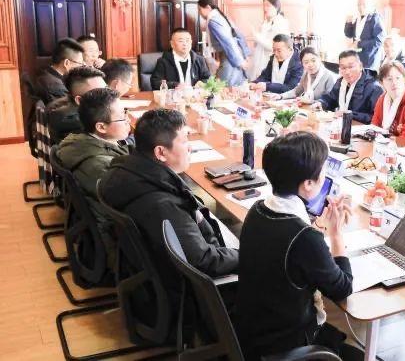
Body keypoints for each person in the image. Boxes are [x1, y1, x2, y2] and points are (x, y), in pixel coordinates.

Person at [99, 109, 239, 323]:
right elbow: (203, 261)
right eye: (185, 140)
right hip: (193, 295)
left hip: (156, 280)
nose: (190, 147)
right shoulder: (162, 204)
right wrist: (246, 254)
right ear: (161, 153)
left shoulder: (124, 172)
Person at [235, 131, 354, 360]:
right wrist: (336, 234)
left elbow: (293, 245)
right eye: (323, 171)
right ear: (308, 184)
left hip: (253, 332)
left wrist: (319, 227)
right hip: (285, 345)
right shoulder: (305, 238)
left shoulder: (258, 209)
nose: (325, 176)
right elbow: (342, 288)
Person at [56, 88, 131, 271]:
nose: (128, 120)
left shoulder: (83, 142)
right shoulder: (100, 165)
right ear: (101, 127)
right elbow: (132, 204)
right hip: (120, 246)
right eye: (122, 117)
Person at [316, 50, 383, 124]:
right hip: (341, 124)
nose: (347, 72)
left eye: (351, 67)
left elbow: (375, 117)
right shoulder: (341, 82)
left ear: (360, 66)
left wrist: (350, 114)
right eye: (343, 68)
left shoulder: (374, 88)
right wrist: (321, 103)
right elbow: (331, 99)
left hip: (361, 128)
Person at [198, 0, 250, 86]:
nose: (199, 13)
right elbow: (239, 35)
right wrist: (245, 55)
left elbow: (227, 42)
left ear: (208, 7)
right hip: (235, 54)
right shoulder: (220, 17)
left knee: (222, 88)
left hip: (230, 57)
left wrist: (239, 61)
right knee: (232, 88)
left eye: (200, 9)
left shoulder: (213, 20)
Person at [46, 66, 107, 144]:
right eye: (99, 93)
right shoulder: (74, 123)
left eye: (106, 89)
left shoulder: (72, 105)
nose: (108, 95)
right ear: (79, 100)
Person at [272, 47, 337, 102]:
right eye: (306, 62)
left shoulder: (329, 77)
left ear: (319, 59)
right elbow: (297, 91)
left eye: (313, 60)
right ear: (302, 64)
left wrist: (309, 102)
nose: (310, 64)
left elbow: (330, 101)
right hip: (307, 109)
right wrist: (281, 96)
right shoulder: (306, 74)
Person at [249, 0, 290, 80]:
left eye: (268, 5)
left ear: (276, 7)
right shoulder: (266, 22)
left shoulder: (281, 23)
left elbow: (274, 46)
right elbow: (259, 43)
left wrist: (256, 36)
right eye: (264, 5)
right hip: (260, 61)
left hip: (271, 62)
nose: (265, 8)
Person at [344, 0, 386, 74]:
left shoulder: (375, 18)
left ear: (371, 5)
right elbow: (349, 34)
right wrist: (348, 23)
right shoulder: (358, 18)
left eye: (364, 5)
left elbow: (379, 41)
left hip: (369, 62)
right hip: (357, 60)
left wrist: (359, 44)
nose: (360, 7)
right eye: (359, 5)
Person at [33, 38, 84, 105]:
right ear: (67, 63)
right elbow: (70, 110)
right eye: (80, 63)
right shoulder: (56, 87)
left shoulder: (45, 72)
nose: (82, 66)